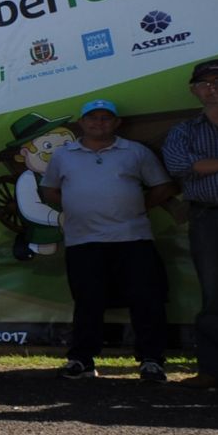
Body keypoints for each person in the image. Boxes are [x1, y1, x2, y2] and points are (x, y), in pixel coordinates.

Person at [41, 98, 178, 382]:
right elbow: (50, 191)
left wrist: (135, 207)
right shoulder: (63, 155)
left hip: (133, 236)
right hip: (83, 240)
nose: (98, 123)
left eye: (106, 118)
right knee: (87, 301)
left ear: (117, 123)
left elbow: (163, 187)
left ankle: (151, 360)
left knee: (146, 299)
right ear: (82, 122)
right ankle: (82, 360)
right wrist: (76, 208)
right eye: (93, 118)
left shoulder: (135, 151)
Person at [162, 58, 218, 389]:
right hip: (210, 218)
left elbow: (198, 165)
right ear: (194, 91)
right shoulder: (184, 130)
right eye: (205, 84)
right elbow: (181, 166)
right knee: (217, 298)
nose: (213, 89)